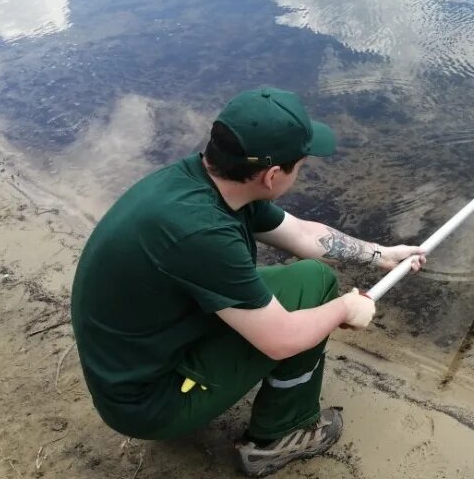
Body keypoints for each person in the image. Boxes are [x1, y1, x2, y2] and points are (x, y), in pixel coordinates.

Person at [70, 87, 425, 476]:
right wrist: (346, 307)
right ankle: (280, 436)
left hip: (139, 360)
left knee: (311, 276)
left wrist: (381, 254)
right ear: (272, 175)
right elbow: (282, 339)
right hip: (150, 403)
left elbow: (304, 235)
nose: (300, 171)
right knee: (315, 297)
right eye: (300, 165)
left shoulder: (205, 183)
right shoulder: (200, 233)